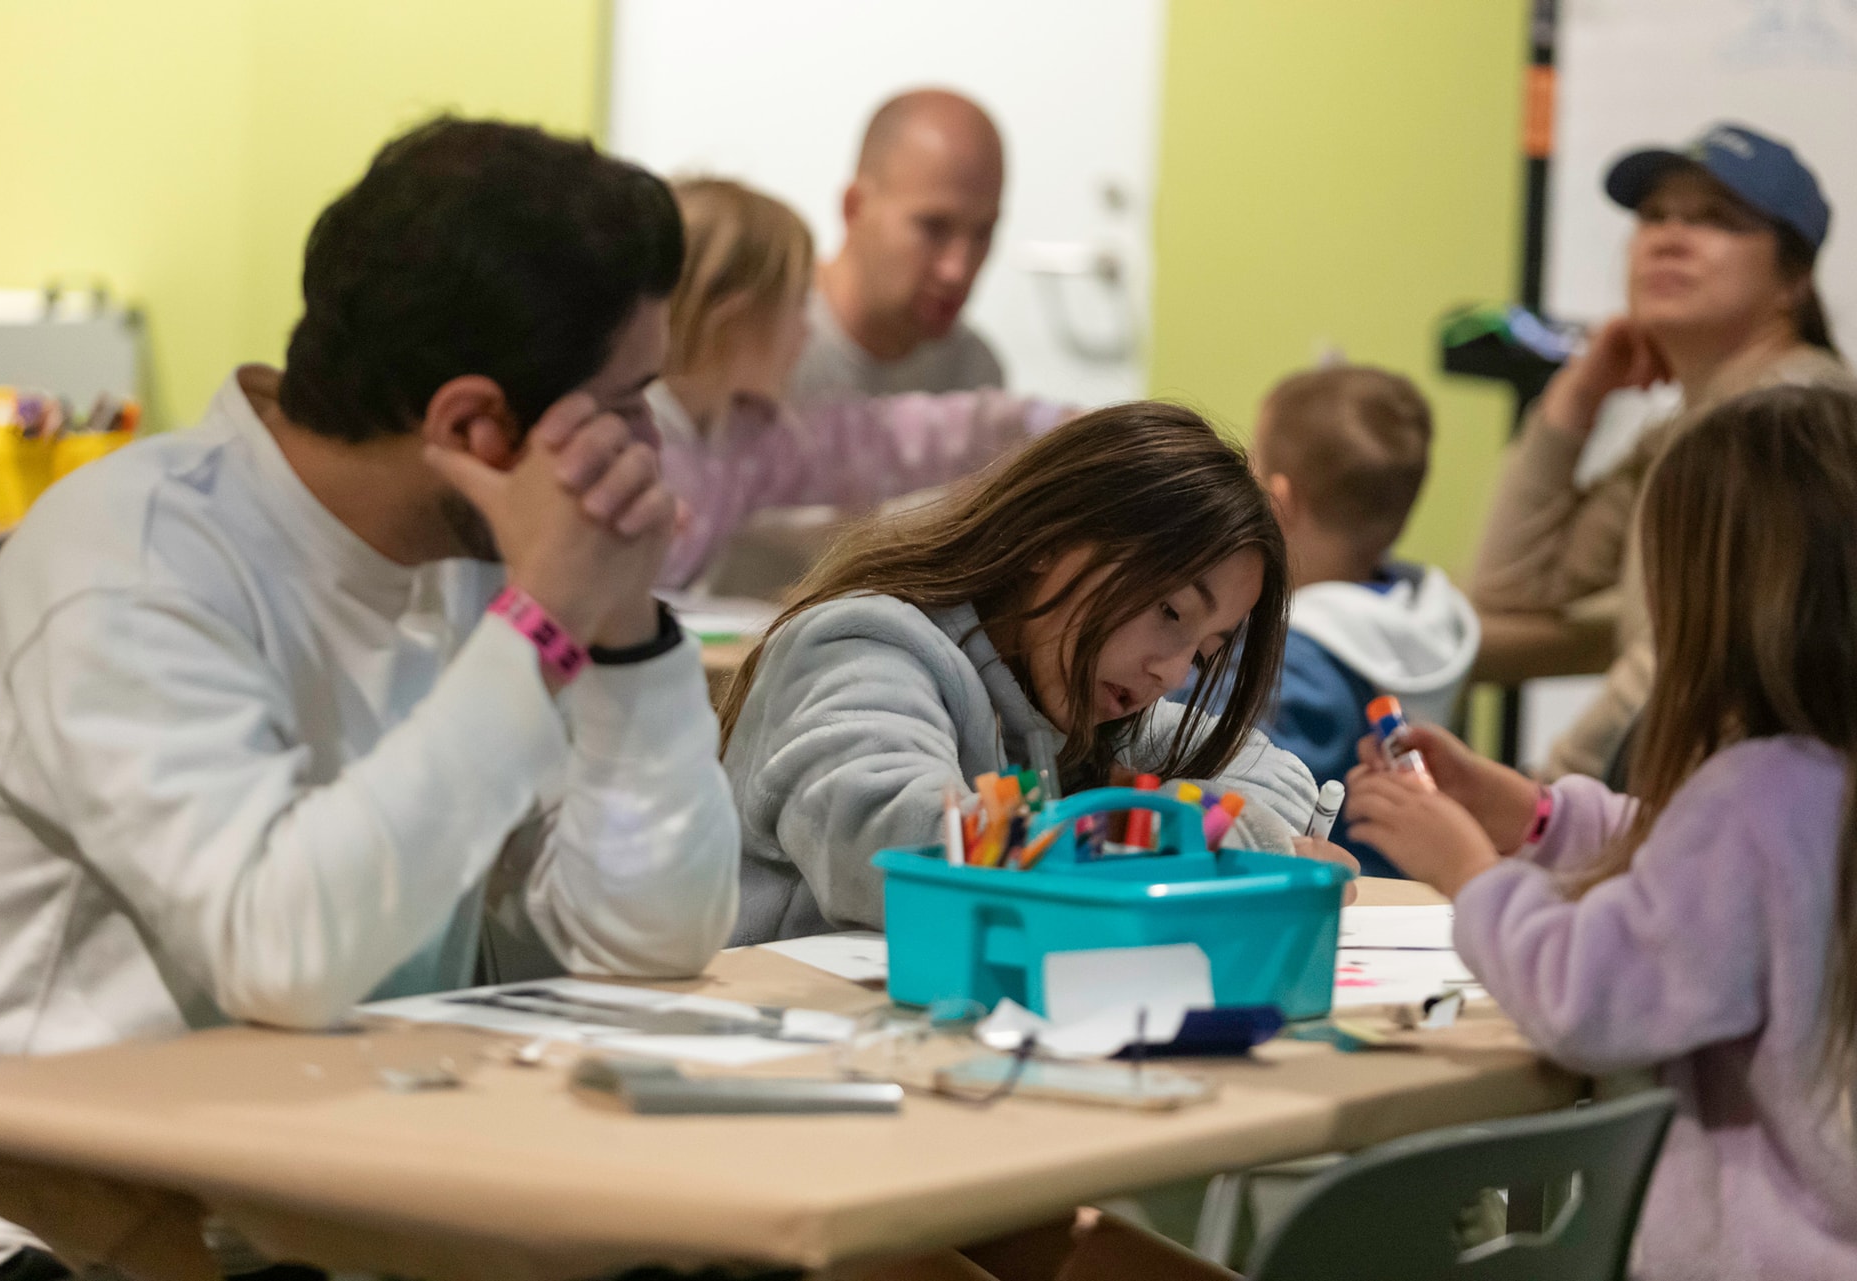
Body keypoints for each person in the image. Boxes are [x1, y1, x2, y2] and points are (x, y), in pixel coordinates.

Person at [0, 119, 739, 1279]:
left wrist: (621, 631)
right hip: (67, 1235)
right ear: (474, 427)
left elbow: (647, 945)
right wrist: (540, 627)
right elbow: (285, 957)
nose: (649, 448)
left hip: (350, 1192)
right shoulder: (130, 563)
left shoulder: (492, 553)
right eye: (626, 402)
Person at [1346, 385, 1857, 1279]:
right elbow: (1702, 878)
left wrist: (1468, 871)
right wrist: (1537, 817)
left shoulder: (1757, 796)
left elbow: (1585, 999)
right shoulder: (1811, 783)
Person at [720, 402, 1351, 946]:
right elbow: (912, 846)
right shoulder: (861, 647)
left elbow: (1274, 779)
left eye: (1205, 651)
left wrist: (1204, 835)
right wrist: (1173, 835)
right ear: (1052, 539)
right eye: (1169, 612)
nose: (1172, 671)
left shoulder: (1078, 704)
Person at [1472, 121, 1854, 780]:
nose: (1669, 237)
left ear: (1793, 280)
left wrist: (1544, 800)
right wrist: (1575, 400)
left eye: (1715, 219)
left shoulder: (1791, 426)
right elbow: (1513, 587)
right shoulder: (1688, 429)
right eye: (1654, 216)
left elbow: (1684, 662)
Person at [652, 177, 1069, 589]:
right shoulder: (633, 433)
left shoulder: (751, 438)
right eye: (796, 304)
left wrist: (1035, 420)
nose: (807, 330)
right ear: (735, 322)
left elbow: (882, 440)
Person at [1250, 366, 1479, 876]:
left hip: (1325, 895)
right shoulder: (1427, 623)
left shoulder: (1292, 661)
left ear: (1279, 502)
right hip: (1409, 890)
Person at [790, 89, 1007, 401]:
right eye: (934, 228)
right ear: (855, 208)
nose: (957, 270)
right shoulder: (760, 356)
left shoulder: (974, 376)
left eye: (983, 232)